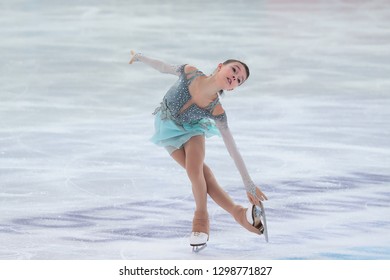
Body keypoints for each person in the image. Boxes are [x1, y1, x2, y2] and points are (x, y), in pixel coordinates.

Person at [129, 50, 268, 250]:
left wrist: (249, 184)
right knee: (203, 174)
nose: (235, 77)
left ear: (233, 88)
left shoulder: (216, 111)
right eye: (234, 70)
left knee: (194, 171)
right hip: (167, 128)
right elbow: (163, 67)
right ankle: (239, 213)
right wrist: (140, 57)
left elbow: (232, 148)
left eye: (239, 80)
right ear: (221, 66)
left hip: (194, 130)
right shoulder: (189, 72)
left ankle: (201, 220)